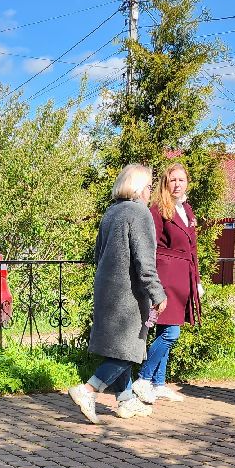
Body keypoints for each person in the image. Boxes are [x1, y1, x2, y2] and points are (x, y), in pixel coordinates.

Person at [68, 164, 166, 424]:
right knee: (130, 350)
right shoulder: (140, 213)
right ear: (138, 187)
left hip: (107, 289)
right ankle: (88, 390)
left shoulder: (111, 212)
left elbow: (98, 255)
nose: (150, 192)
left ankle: (126, 399)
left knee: (119, 349)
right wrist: (157, 293)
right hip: (129, 295)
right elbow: (145, 261)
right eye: (149, 186)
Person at [133, 162, 199, 406]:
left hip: (183, 277)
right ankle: (143, 379)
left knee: (165, 330)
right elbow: (149, 246)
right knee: (171, 332)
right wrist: (153, 283)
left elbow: (193, 248)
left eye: (181, 180)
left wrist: (196, 280)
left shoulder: (187, 210)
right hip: (166, 277)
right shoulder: (158, 209)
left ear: (187, 182)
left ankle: (158, 384)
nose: (177, 184)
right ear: (165, 183)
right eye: (173, 180)